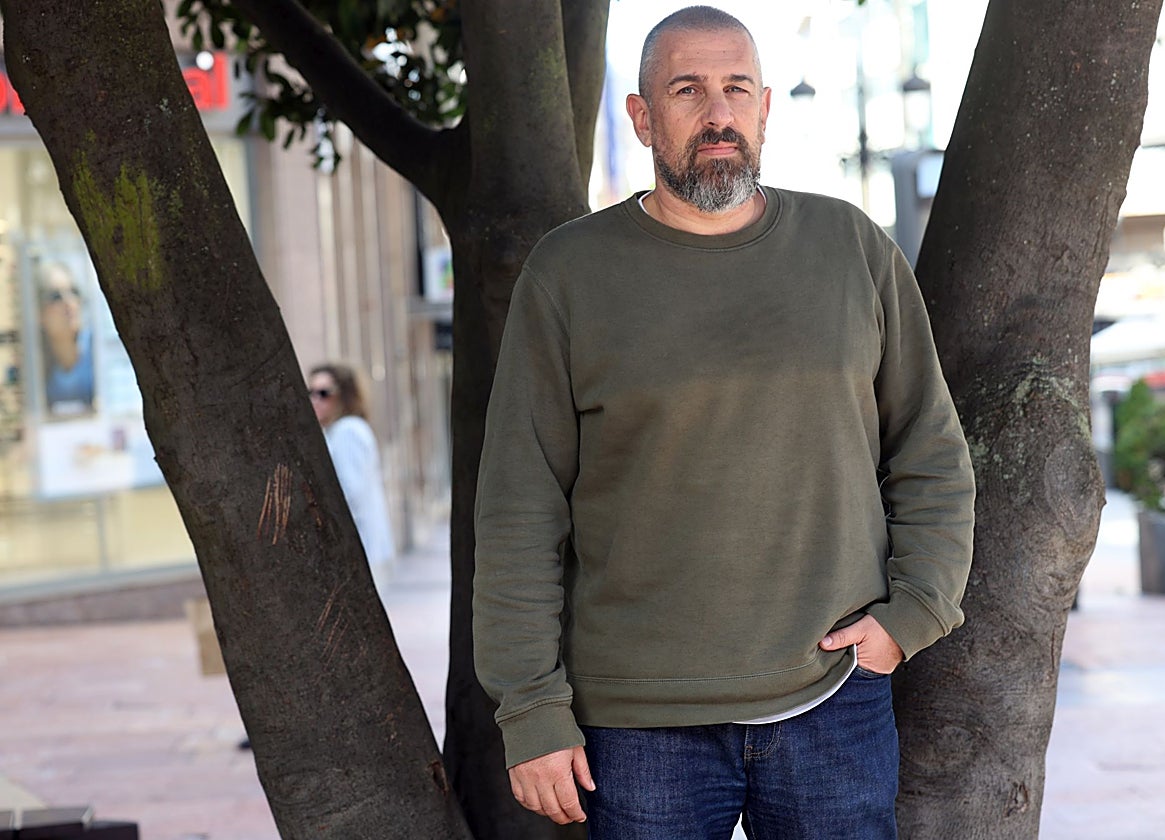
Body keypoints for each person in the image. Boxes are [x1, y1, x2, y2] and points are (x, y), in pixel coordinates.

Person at [472, 6, 976, 839]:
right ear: (641, 116)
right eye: (687, 90)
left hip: (832, 698)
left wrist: (913, 614)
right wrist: (530, 706)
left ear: (766, 107)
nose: (718, 114)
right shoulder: (569, 274)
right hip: (636, 723)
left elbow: (929, 447)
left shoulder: (849, 247)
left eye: (736, 88)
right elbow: (520, 507)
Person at [308, 363, 396, 589]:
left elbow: (349, 492)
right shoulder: (338, 431)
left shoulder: (347, 431)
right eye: (311, 392)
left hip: (358, 550)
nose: (315, 400)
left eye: (324, 393)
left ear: (343, 396)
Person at [37, 261, 95, 415]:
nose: (69, 302)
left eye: (73, 292)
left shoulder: (99, 352)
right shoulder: (34, 371)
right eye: (56, 296)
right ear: (38, 314)